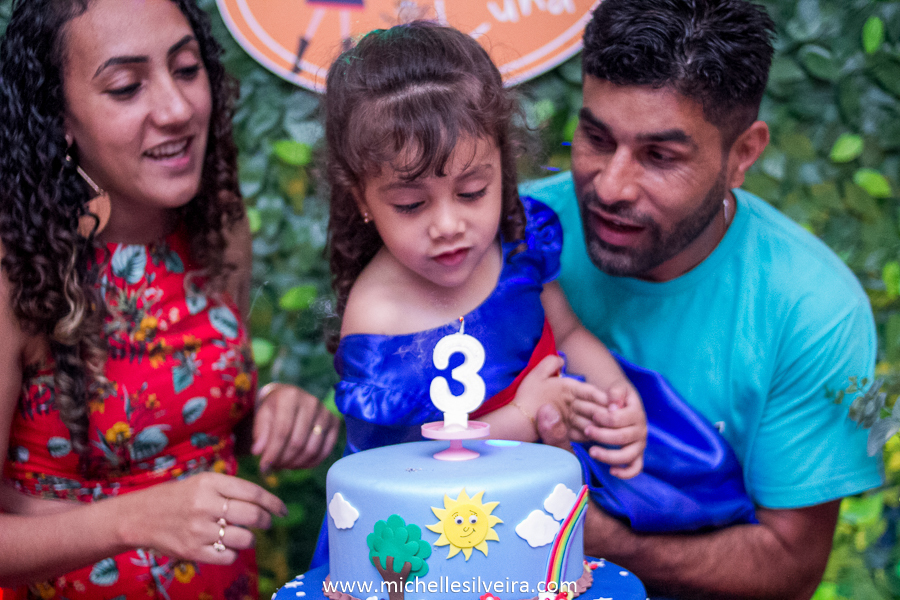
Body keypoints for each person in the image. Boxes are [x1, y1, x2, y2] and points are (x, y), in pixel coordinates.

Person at [522, 0, 883, 598]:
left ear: (742, 155)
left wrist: (587, 534)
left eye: (660, 156)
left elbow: (790, 565)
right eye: (595, 137)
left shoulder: (815, 311)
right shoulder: (510, 237)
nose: (610, 186)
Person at [0, 0, 338, 597]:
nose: (178, 109)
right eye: (127, 86)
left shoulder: (216, 226)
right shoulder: (17, 266)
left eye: (186, 69)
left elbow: (186, 427)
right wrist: (135, 518)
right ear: (60, 118)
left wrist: (269, 409)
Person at [322, 21, 646, 465]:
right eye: (412, 204)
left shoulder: (516, 242)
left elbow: (567, 333)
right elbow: (397, 466)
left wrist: (617, 401)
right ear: (362, 198)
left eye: (472, 192)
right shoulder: (379, 319)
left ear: (502, 167)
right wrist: (522, 416)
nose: (448, 225)